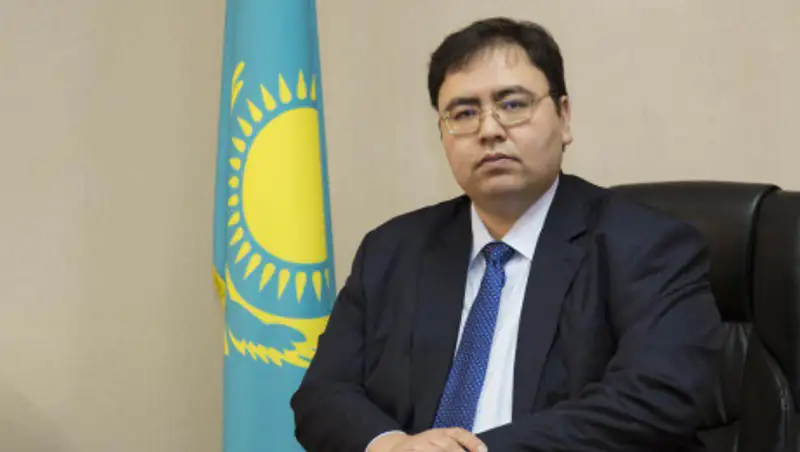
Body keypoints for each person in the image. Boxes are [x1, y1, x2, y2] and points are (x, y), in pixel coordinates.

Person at [291, 17, 722, 452]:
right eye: (464, 113)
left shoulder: (648, 246)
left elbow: (659, 397)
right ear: (441, 134)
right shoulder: (391, 252)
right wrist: (392, 446)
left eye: (513, 105)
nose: (490, 130)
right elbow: (323, 395)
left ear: (564, 117)